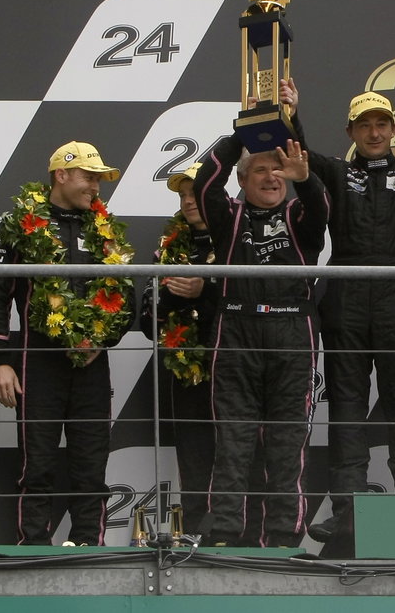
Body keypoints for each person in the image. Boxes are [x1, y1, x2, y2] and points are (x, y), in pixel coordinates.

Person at [304, 85, 395, 543]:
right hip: (345, 293)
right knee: (345, 399)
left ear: (394, 128)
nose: (374, 132)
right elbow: (295, 150)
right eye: (364, 124)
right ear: (350, 131)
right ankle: (346, 505)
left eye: (381, 123)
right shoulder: (336, 172)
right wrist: (286, 107)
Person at [0, 141, 135, 546]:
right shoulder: (19, 222)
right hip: (39, 362)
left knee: (91, 464)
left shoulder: (105, 227)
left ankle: (89, 544)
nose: (97, 187)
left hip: (93, 363)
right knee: (38, 465)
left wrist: (103, 340)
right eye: (90, 177)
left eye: (100, 180)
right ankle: (33, 546)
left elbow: (127, 297)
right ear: (61, 175)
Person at [193, 131, 328, 547]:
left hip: (291, 331)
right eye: (260, 169)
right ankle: (225, 534)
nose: (271, 177)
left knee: (287, 443)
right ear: (242, 179)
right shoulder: (227, 216)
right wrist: (242, 134)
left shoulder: (299, 216)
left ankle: (284, 538)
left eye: (277, 169)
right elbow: (204, 184)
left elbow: (320, 206)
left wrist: (304, 178)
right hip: (236, 330)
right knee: (233, 440)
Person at [149, 165, 221, 538]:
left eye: (195, 192)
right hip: (186, 371)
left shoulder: (238, 234)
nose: (188, 201)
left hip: (233, 365)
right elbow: (148, 322)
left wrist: (204, 291)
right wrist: (170, 293)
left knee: (238, 454)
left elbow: (251, 301)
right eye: (182, 195)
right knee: (193, 458)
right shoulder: (170, 245)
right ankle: (195, 536)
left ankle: (235, 535)